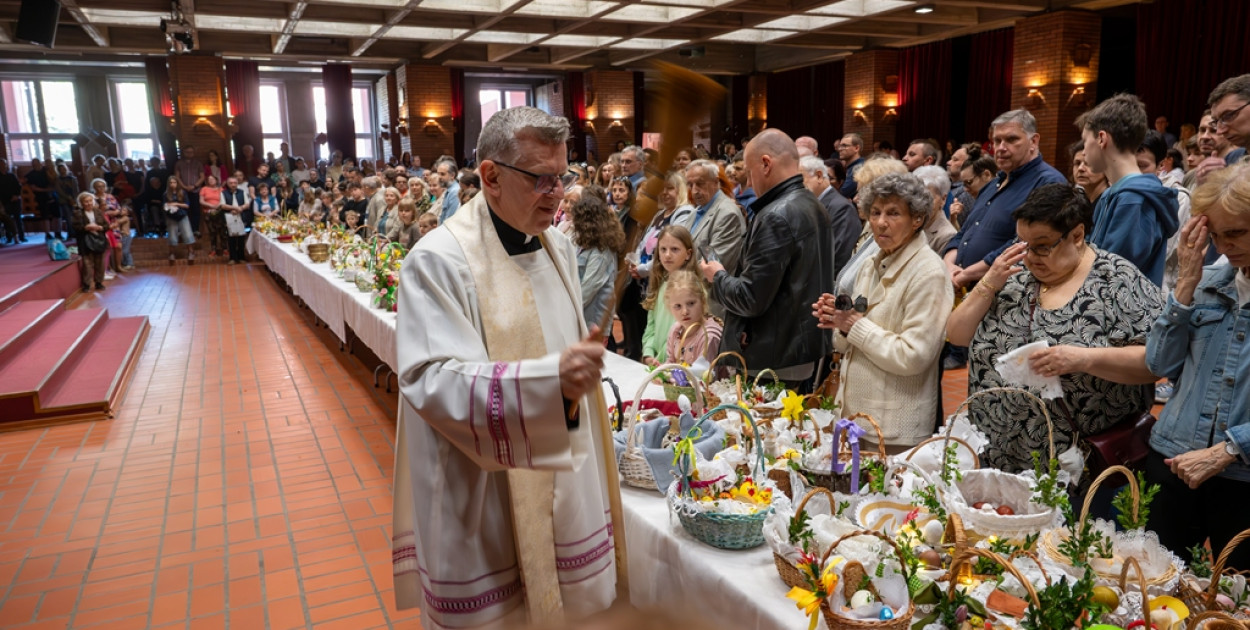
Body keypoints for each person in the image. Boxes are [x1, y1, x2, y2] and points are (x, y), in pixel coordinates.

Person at [391, 106, 618, 628]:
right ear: (491, 176)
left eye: (562, 178)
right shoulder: (437, 261)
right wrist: (545, 384)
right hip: (484, 486)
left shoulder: (556, 243)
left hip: (564, 465)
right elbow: (427, 378)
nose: (556, 192)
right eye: (541, 178)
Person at [946, 183, 1162, 472]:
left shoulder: (1116, 280)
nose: (1030, 256)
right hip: (997, 452)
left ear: (1077, 235)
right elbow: (957, 334)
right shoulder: (1014, 274)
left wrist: (1083, 359)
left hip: (1075, 464)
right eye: (1023, 243)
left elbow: (1156, 361)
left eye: (1043, 245)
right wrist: (988, 282)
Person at [1143, 162, 1250, 570]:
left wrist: (1231, 447)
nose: (1224, 246)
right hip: (1174, 460)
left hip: (1242, 478)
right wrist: (1184, 286)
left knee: (1234, 599)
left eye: (1236, 233)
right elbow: (1159, 363)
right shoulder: (1206, 282)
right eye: (1216, 235)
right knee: (1158, 585)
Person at [813, 172, 953, 448]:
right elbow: (848, 341)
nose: (880, 223)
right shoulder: (870, 264)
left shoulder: (929, 273)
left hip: (895, 429)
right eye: (875, 212)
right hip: (856, 419)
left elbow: (914, 355)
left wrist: (854, 325)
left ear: (917, 219)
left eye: (893, 213)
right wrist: (838, 322)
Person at [701, 129, 831, 390]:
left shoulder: (776, 215)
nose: (748, 182)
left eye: (749, 173)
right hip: (796, 350)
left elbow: (750, 298)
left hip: (772, 358)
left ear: (765, 164)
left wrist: (717, 276)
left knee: (762, 429)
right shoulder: (812, 203)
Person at [943, 109, 1068, 291]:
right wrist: (949, 264)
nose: (1000, 148)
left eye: (1011, 139)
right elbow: (965, 232)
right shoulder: (992, 184)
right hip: (964, 286)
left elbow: (1025, 244)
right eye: (997, 140)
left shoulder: (1048, 182)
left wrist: (967, 274)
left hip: (1006, 294)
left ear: (1033, 141)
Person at [1078, 94, 1179, 286]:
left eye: (1085, 141)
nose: (1083, 151)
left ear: (1101, 139)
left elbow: (1112, 277)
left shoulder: (1134, 199)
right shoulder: (1112, 193)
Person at [684, 159, 747, 311]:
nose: (694, 191)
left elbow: (712, 266)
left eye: (700, 183)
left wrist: (675, 273)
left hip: (712, 304)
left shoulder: (727, 213)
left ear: (715, 182)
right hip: (691, 300)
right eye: (690, 185)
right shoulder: (696, 212)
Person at [641, 226, 697, 366]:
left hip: (676, 365)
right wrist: (648, 353)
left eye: (675, 249)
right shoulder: (660, 283)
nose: (667, 255)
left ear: (688, 254)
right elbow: (651, 325)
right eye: (663, 249)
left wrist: (663, 358)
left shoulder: (693, 288)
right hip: (657, 363)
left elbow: (685, 330)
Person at [569, 193, 625, 328]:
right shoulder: (583, 243)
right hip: (582, 315)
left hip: (593, 321)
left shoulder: (601, 250)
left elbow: (589, 287)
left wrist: (568, 309)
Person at [800, 155, 860, 279]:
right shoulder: (812, 203)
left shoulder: (842, 208)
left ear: (819, 175)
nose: (798, 186)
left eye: (801, 179)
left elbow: (839, 256)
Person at [663, 269, 723, 365]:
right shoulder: (675, 330)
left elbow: (705, 378)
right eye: (678, 306)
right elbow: (671, 362)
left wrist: (670, 378)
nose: (685, 312)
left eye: (691, 303)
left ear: (702, 301)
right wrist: (662, 373)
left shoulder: (709, 337)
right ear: (669, 307)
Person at [913, 165, 959, 254]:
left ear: (943, 199)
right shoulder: (910, 223)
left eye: (929, 198)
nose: (921, 203)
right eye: (917, 196)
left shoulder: (947, 235)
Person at [72, 192, 107, 292]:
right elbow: (75, 227)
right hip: (86, 241)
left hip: (99, 239)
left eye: (90, 201)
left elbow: (106, 225)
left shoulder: (98, 212)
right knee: (87, 264)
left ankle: (99, 282)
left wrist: (100, 227)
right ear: (81, 203)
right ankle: (86, 284)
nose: (88, 203)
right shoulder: (78, 213)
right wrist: (86, 228)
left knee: (100, 263)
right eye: (86, 201)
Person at [219, 176, 250, 265]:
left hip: (241, 216)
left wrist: (240, 208)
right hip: (229, 216)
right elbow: (222, 205)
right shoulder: (223, 193)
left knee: (241, 237)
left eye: (235, 183)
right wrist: (234, 208)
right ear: (227, 184)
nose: (233, 185)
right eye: (231, 183)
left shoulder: (242, 192)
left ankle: (241, 257)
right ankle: (232, 258)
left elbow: (247, 204)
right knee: (231, 238)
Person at [174, 146, 205, 233]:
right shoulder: (179, 163)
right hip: (183, 191)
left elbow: (202, 177)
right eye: (187, 152)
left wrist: (194, 186)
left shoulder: (198, 163)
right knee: (183, 210)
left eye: (191, 152)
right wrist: (184, 186)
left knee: (196, 210)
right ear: (183, 153)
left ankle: (195, 229)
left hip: (195, 190)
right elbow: (177, 177)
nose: (189, 154)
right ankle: (185, 230)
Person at [164, 176, 195, 261]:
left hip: (182, 215)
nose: (172, 184)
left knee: (187, 234)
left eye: (174, 182)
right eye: (170, 183)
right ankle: (171, 253)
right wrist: (169, 206)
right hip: (171, 216)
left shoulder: (183, 192)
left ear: (177, 183)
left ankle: (191, 252)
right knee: (172, 236)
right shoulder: (166, 194)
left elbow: (187, 205)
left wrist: (176, 204)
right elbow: (164, 205)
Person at [199, 174, 226, 258]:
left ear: (216, 180)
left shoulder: (221, 189)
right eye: (209, 179)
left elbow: (224, 200)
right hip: (208, 212)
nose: (211, 180)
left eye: (212, 179)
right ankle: (213, 249)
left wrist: (217, 207)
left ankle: (225, 249)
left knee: (222, 231)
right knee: (212, 232)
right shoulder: (204, 189)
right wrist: (211, 206)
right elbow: (201, 201)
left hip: (220, 212)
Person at [837, 133, 866, 200]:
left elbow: (843, 192)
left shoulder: (859, 168)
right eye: (840, 146)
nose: (840, 149)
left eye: (844, 146)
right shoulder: (851, 167)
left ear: (856, 148)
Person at [435, 157, 461, 222]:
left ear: (452, 175)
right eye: (438, 173)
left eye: (442, 174)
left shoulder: (455, 192)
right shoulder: (449, 190)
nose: (439, 177)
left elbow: (450, 219)